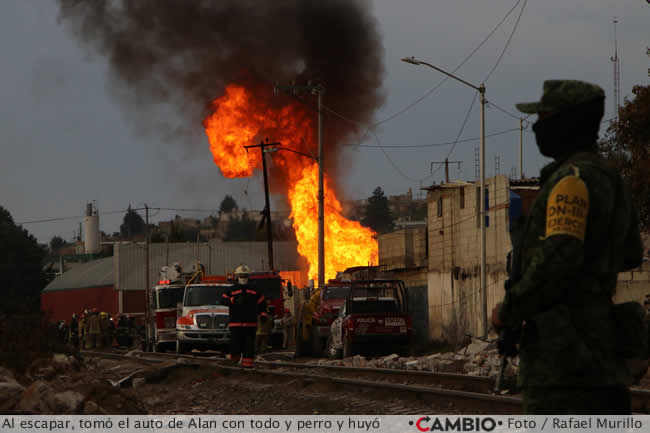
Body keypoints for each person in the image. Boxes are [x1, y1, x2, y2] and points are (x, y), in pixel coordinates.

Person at [492, 80, 644, 414]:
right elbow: (631, 253)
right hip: (605, 355)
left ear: (564, 124)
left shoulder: (570, 181)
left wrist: (510, 310)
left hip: (563, 363)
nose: (537, 127)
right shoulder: (610, 178)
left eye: (544, 118)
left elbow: (557, 259)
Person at [222, 264, 268, 367]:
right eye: (241, 276)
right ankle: (233, 363)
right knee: (235, 344)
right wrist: (233, 300)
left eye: (245, 276)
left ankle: (247, 366)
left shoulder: (255, 290)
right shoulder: (231, 290)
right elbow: (222, 300)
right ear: (237, 276)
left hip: (250, 323)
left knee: (249, 345)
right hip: (236, 323)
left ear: (249, 277)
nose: (243, 278)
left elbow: (262, 303)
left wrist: (263, 314)